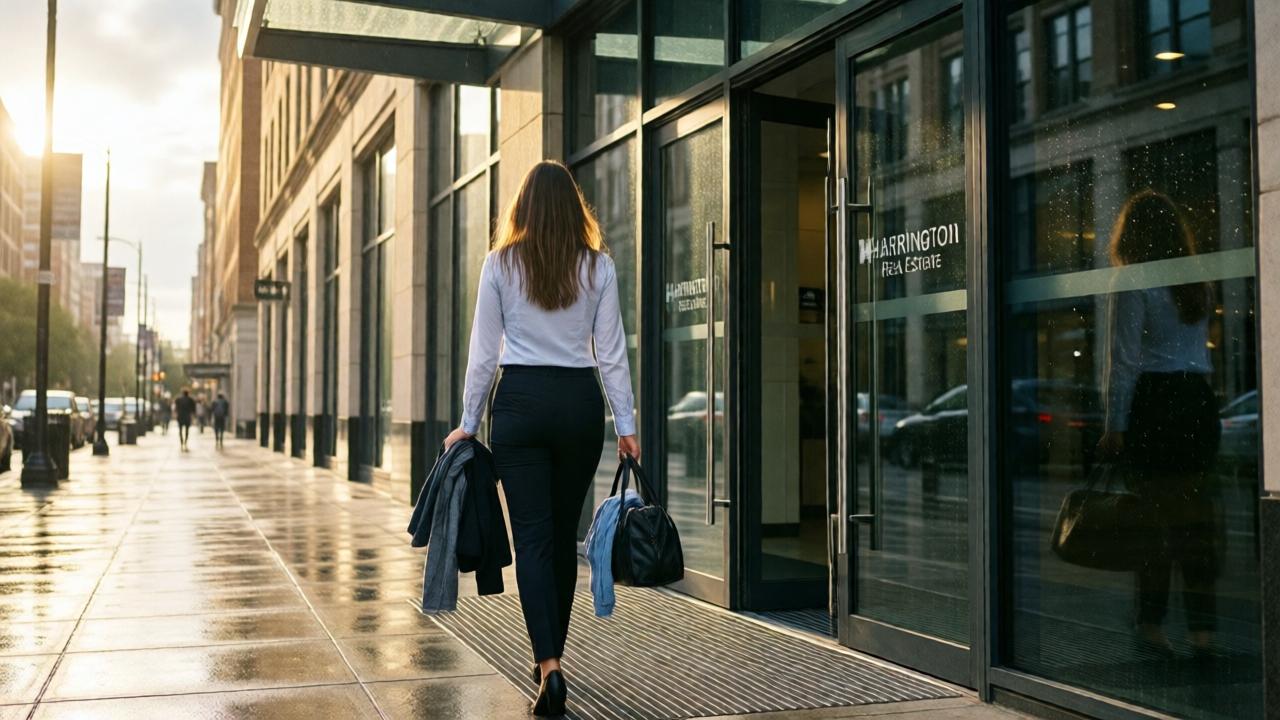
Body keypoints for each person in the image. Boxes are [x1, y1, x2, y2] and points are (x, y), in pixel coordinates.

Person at [442, 161, 638, 717]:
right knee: (561, 536)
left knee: (532, 538)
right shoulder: (598, 267)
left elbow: (483, 354)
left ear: (523, 209)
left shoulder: (500, 264)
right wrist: (626, 425)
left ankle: (548, 664)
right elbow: (612, 354)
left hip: (521, 405)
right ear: (575, 207)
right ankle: (554, 658)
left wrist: (469, 421)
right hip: (579, 406)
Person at [1098, 190, 1222, 658]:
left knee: (1152, 524)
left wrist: (1115, 425)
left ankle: (1151, 626)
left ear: (1131, 233)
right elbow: (1202, 353)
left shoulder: (1133, 279)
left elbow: (1124, 361)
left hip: (1155, 404)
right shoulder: (1195, 281)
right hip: (1197, 401)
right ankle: (1203, 633)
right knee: (1195, 523)